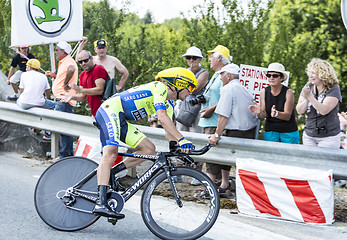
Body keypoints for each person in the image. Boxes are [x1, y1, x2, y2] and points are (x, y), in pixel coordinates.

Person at [93, 67, 197, 218]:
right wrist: (182, 139)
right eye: (190, 87)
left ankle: (112, 173)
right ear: (178, 83)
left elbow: (168, 130)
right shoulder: (160, 87)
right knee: (111, 152)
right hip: (110, 111)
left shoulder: (169, 104)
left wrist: (180, 152)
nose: (191, 92)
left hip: (121, 119)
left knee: (149, 149)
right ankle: (100, 202)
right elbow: (160, 117)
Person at [206, 64, 257, 197]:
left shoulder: (228, 89)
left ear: (228, 75)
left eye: (222, 75)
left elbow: (223, 115)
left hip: (236, 131)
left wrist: (216, 134)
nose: (220, 78)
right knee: (229, 158)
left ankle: (210, 187)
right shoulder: (244, 89)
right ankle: (225, 185)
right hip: (248, 131)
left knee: (213, 152)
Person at [198, 45, 231, 184]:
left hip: (215, 121)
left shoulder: (225, 75)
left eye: (212, 56)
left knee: (212, 155)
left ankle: (209, 186)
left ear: (219, 58)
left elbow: (227, 97)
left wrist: (211, 109)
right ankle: (222, 183)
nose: (209, 59)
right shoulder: (217, 75)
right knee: (215, 155)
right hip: (210, 120)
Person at [296, 58, 342, 148]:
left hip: (328, 136)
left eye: (313, 73)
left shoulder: (333, 88)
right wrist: (306, 99)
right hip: (309, 134)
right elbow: (299, 110)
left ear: (323, 74)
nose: (310, 76)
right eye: (310, 73)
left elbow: (324, 110)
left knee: (325, 161)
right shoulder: (308, 86)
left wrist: (309, 96)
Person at [248, 63, 299, 144]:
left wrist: (276, 114)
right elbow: (263, 116)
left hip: (288, 132)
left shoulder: (288, 92)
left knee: (291, 156)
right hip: (271, 131)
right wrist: (258, 113)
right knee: (271, 156)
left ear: (282, 78)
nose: (271, 78)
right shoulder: (264, 92)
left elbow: (287, 116)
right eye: (269, 75)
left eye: (275, 76)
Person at [45, 41, 78, 160]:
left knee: (64, 129)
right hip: (63, 99)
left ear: (63, 51)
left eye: (57, 50)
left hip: (64, 99)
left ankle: (64, 155)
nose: (55, 52)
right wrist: (54, 76)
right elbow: (65, 72)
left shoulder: (68, 61)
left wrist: (65, 83)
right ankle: (65, 154)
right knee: (64, 128)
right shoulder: (64, 61)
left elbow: (71, 68)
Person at [16, 59, 55, 140]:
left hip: (23, 103)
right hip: (38, 102)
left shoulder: (23, 75)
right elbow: (47, 93)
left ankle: (34, 126)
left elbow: (21, 92)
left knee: (19, 101)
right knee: (52, 106)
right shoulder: (43, 76)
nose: (26, 68)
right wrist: (48, 100)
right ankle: (47, 133)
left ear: (30, 67)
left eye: (27, 66)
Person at [61, 50, 107, 117]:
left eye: (85, 60)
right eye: (80, 62)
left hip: (105, 111)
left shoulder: (98, 69)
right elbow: (82, 96)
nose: (83, 63)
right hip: (95, 113)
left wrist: (80, 90)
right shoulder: (82, 75)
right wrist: (71, 97)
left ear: (91, 58)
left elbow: (100, 90)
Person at [176, 46, 209, 133]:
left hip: (197, 109)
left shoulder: (204, 73)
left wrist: (185, 86)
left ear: (199, 59)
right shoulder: (184, 71)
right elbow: (178, 89)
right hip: (183, 107)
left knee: (195, 134)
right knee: (181, 132)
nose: (191, 60)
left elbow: (195, 89)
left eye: (194, 58)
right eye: (188, 58)